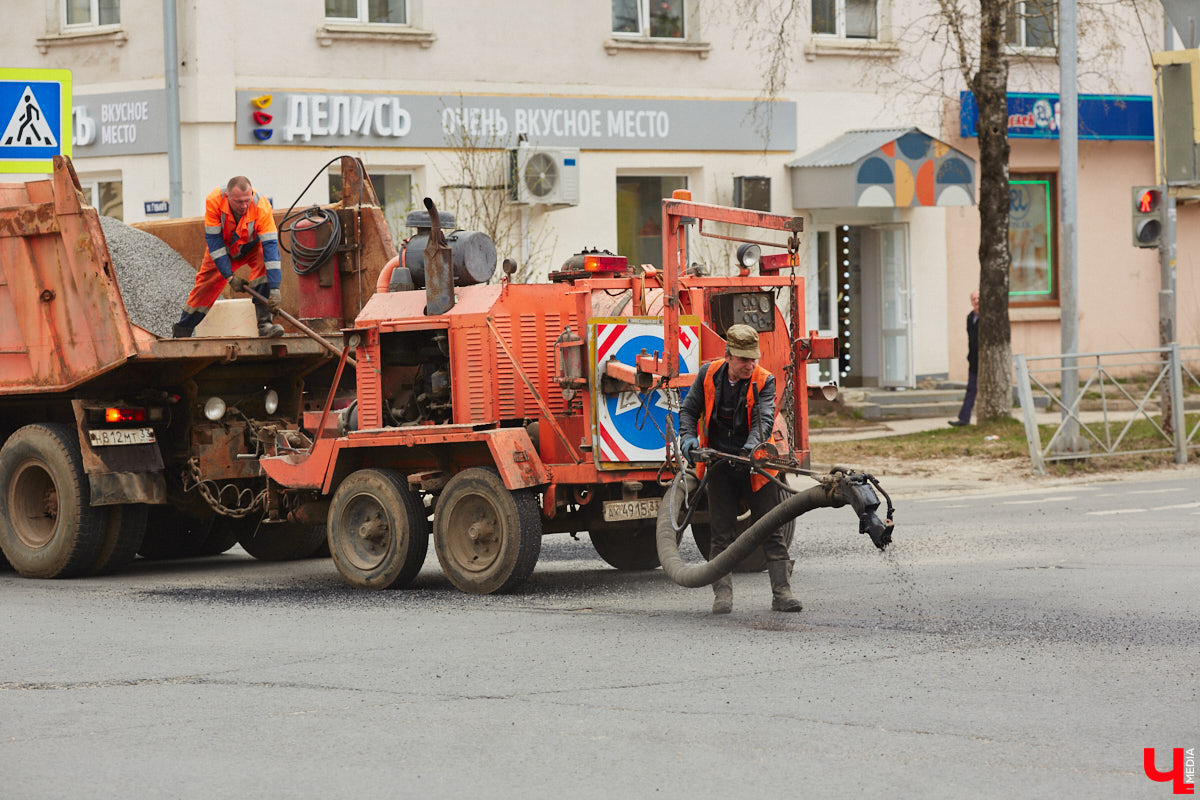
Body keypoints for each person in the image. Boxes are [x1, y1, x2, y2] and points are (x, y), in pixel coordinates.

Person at [678, 324, 802, 615]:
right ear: (729, 356)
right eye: (744, 359)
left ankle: (782, 594)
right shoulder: (708, 375)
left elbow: (765, 421)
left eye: (754, 358)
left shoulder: (764, 380)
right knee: (721, 532)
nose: (751, 365)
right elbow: (688, 410)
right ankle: (722, 596)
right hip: (719, 463)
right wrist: (688, 438)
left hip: (755, 465)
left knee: (771, 528)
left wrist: (750, 449)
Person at [172, 176, 283, 338]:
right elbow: (214, 243)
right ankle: (183, 330)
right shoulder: (214, 201)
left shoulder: (262, 206)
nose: (244, 205)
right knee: (205, 286)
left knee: (264, 263)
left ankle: (265, 326)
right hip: (222, 249)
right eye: (239, 202)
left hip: (251, 247)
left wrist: (275, 288)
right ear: (227, 197)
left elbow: (271, 248)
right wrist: (229, 277)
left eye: (247, 200)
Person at [949, 290, 980, 427]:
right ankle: (964, 418)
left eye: (979, 298)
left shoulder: (987, 317)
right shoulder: (970, 317)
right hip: (973, 360)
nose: (977, 301)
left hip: (985, 361)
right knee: (971, 389)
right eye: (974, 299)